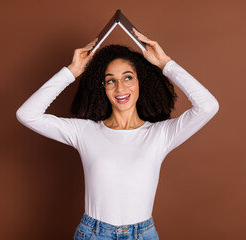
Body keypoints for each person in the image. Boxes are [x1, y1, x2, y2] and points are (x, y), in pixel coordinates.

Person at [16, 28, 219, 240]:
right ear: (102, 87)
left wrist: (165, 63)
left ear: (141, 82)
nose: (120, 88)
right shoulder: (84, 131)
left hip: (143, 235)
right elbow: (27, 114)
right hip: (94, 234)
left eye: (128, 77)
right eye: (111, 80)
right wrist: (72, 71)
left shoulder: (160, 134)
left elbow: (208, 106)